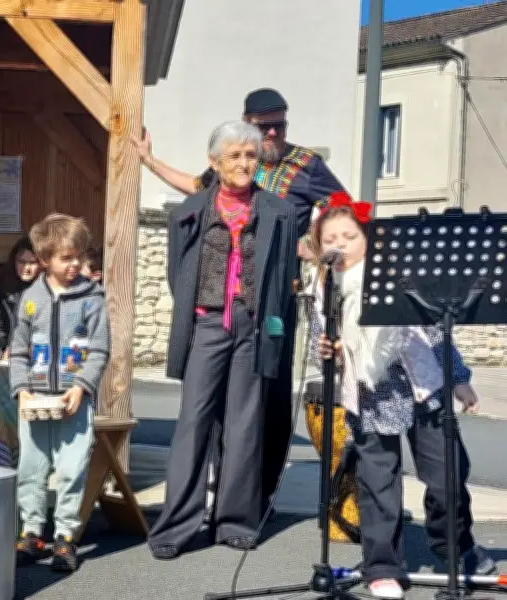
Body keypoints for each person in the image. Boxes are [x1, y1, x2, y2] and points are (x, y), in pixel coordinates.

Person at [133, 87, 349, 516]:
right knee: (209, 405)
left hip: (274, 303)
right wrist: (148, 160)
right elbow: (195, 186)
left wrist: (315, 240)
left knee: (264, 401)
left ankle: (256, 496)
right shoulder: (235, 160)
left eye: (279, 124)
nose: (271, 132)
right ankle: (214, 488)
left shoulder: (306, 165)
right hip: (221, 305)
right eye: (263, 124)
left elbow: (341, 207)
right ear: (247, 123)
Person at [309, 194, 496, 599]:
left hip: (423, 388)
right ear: (319, 246)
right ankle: (382, 565)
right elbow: (316, 346)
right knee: (378, 482)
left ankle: (455, 545)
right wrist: (330, 352)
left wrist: (459, 377)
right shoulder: (325, 290)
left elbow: (436, 331)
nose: (339, 245)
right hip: (371, 394)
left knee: (448, 475)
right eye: (330, 239)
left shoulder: (401, 278)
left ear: (369, 239)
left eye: (349, 236)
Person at [149, 120, 306, 560]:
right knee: (194, 422)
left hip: (253, 326)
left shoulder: (279, 211)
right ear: (213, 161)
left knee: (244, 423)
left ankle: (235, 522)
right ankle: (177, 525)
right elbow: (177, 274)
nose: (243, 163)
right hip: (207, 323)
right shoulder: (189, 211)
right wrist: (202, 310)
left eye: (251, 155)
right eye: (234, 155)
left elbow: (282, 279)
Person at [11, 213, 110, 572]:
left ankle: (66, 536)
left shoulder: (92, 298)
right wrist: (21, 390)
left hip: (73, 400)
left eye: (79, 257)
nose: (75, 265)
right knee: (31, 469)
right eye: (66, 258)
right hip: (35, 401)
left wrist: (82, 387)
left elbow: (100, 350)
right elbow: (18, 350)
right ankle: (33, 532)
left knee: (71, 469)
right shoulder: (30, 299)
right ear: (44, 260)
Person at [0, 235, 40, 358]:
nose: (26, 268)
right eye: (21, 261)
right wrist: (0, 348)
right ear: (14, 261)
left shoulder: (47, 290)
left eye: (32, 262)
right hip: (9, 354)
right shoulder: (2, 289)